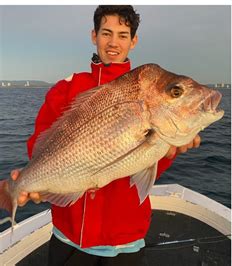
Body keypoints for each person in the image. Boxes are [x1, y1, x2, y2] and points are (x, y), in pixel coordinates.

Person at [10, 5, 200, 265]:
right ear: (94, 35)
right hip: (68, 235)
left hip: (124, 238)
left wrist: (172, 149)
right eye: (106, 33)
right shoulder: (67, 88)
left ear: (133, 41)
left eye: (123, 35)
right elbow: (39, 144)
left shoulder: (149, 96)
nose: (113, 42)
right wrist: (40, 182)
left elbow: (146, 165)